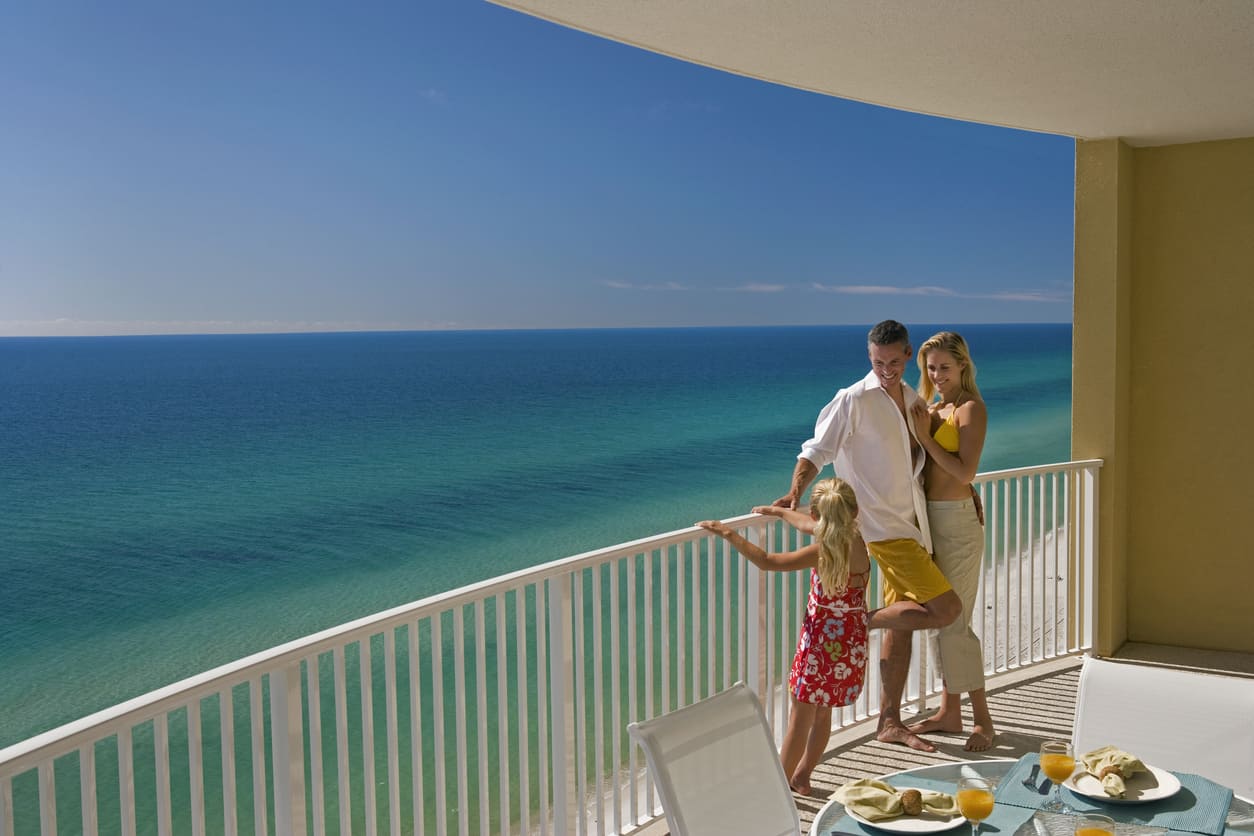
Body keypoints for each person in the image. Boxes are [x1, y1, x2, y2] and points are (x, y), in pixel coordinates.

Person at [775, 319, 961, 753]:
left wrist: (965, 492)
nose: (886, 370)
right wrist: (794, 493)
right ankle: (857, 621)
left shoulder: (914, 399)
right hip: (879, 529)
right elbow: (815, 452)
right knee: (945, 609)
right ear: (868, 356)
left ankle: (889, 721)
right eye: (878, 362)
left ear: (907, 354)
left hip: (912, 524)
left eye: (894, 362)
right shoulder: (852, 400)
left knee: (902, 626)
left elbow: (923, 463)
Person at [697, 478, 869, 796]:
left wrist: (727, 532)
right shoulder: (855, 538)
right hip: (850, 644)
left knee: (799, 717)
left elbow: (768, 561)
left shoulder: (825, 551)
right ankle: (801, 777)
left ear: (819, 517)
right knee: (822, 713)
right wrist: (778, 514)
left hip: (821, 646)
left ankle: (773, 791)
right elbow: (809, 526)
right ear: (854, 511)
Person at [906, 331, 996, 751]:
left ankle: (984, 720)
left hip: (957, 526)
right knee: (938, 617)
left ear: (963, 365)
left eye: (944, 366)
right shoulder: (932, 408)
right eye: (930, 367)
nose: (937, 374)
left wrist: (925, 438)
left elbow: (965, 473)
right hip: (928, 521)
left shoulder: (970, 409)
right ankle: (949, 710)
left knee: (955, 621)